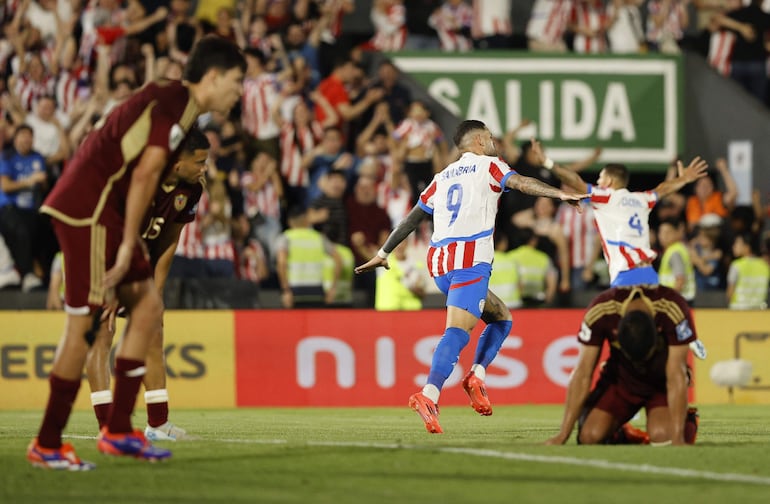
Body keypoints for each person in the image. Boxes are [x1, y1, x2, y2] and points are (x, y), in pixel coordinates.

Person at [27, 36, 245, 470]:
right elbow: (146, 172)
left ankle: (119, 431)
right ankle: (49, 442)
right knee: (87, 327)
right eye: (237, 81)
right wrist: (128, 245)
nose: (240, 91)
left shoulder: (172, 101)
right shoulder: (176, 106)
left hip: (98, 203)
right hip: (90, 207)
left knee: (146, 309)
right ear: (215, 76)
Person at [355, 120, 586, 433]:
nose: (493, 144)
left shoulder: (442, 176)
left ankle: (476, 375)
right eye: (490, 138)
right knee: (457, 331)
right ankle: (429, 395)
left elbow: (412, 219)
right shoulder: (489, 165)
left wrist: (383, 253)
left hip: (439, 263)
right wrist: (558, 194)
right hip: (469, 260)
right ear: (479, 140)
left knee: (502, 317)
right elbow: (520, 183)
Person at [85, 128, 210, 442]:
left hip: (140, 261)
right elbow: (112, 233)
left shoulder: (192, 188)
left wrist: (156, 291)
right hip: (100, 255)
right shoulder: (140, 181)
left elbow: (169, 240)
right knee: (103, 333)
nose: (204, 168)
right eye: (199, 162)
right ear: (176, 162)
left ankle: (158, 425)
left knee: (153, 332)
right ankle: (108, 427)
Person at [545, 284, 701, 446]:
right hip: (621, 382)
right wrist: (562, 435)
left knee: (663, 437)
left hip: (661, 382)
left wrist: (678, 437)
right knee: (589, 437)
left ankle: (687, 419)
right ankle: (621, 432)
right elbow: (582, 373)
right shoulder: (602, 309)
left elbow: (677, 374)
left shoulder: (672, 307)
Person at [530, 146, 709, 287]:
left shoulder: (607, 197)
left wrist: (546, 162)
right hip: (648, 272)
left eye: (600, 178)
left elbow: (575, 181)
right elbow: (663, 189)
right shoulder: (641, 199)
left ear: (609, 181)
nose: (598, 182)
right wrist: (683, 180)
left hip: (625, 274)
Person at [726, 232, 769, 310]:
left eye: (737, 243)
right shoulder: (765, 265)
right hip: (758, 310)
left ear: (747, 247)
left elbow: (730, 292)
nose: (733, 247)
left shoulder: (736, 265)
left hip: (737, 309)